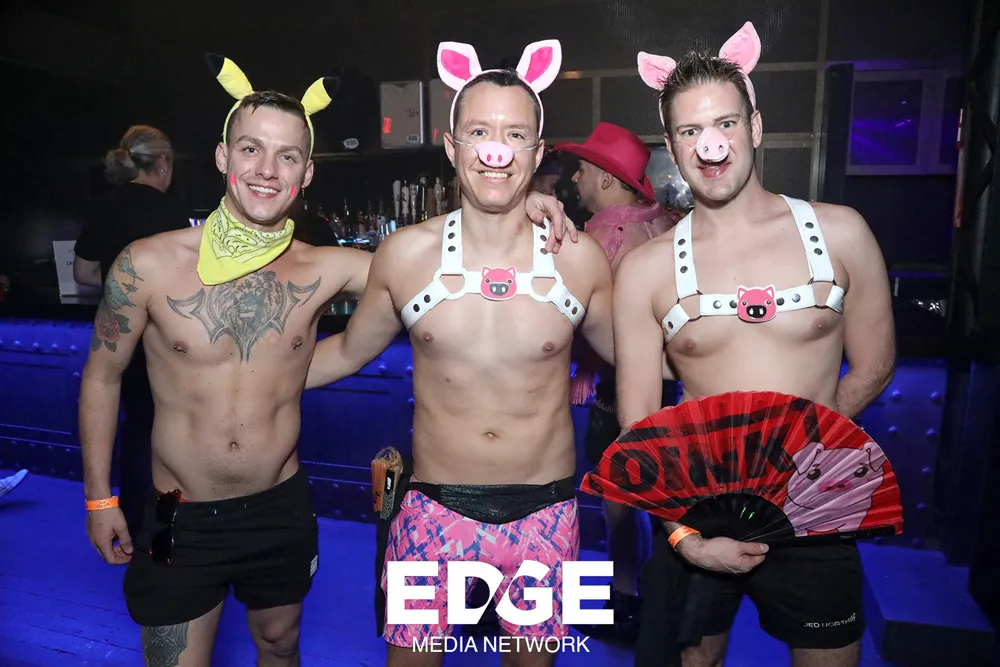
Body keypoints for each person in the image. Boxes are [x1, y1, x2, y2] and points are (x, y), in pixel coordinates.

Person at [79, 54, 576, 667]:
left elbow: (445, 265)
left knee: (281, 644)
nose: (267, 170)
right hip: (176, 510)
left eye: (288, 156)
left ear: (307, 172)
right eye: (251, 150)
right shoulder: (146, 264)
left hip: (279, 508)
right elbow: (101, 377)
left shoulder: (324, 267)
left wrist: (519, 210)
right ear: (222, 157)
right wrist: (99, 498)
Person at [305, 39, 619, 667]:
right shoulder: (405, 256)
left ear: (536, 152)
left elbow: (637, 358)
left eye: (515, 135)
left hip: (546, 514)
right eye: (478, 131)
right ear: (452, 147)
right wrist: (243, 377)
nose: (496, 150)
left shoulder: (578, 258)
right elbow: (345, 351)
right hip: (432, 512)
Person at [615, 22, 895, 667]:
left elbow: (876, 363)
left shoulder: (842, 233)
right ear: (672, 147)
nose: (710, 145)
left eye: (725, 124)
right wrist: (682, 536)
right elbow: (639, 423)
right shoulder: (645, 269)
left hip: (815, 499)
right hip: (698, 506)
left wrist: (801, 449)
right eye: (690, 131)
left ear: (756, 127)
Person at [555, 122, 684, 643]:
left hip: (620, 387)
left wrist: (581, 365)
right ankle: (652, 598)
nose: (575, 178)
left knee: (619, 505)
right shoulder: (664, 223)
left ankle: (625, 600)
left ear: (608, 179)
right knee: (653, 500)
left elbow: (581, 315)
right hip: (670, 385)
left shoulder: (603, 235)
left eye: (583, 169)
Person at [74, 125, 190, 538]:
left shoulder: (102, 207)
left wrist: (120, 288)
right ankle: (170, 528)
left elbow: (83, 273)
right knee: (169, 431)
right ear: (163, 163)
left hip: (120, 336)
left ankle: (135, 524)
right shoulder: (170, 212)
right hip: (166, 339)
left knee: (136, 427)